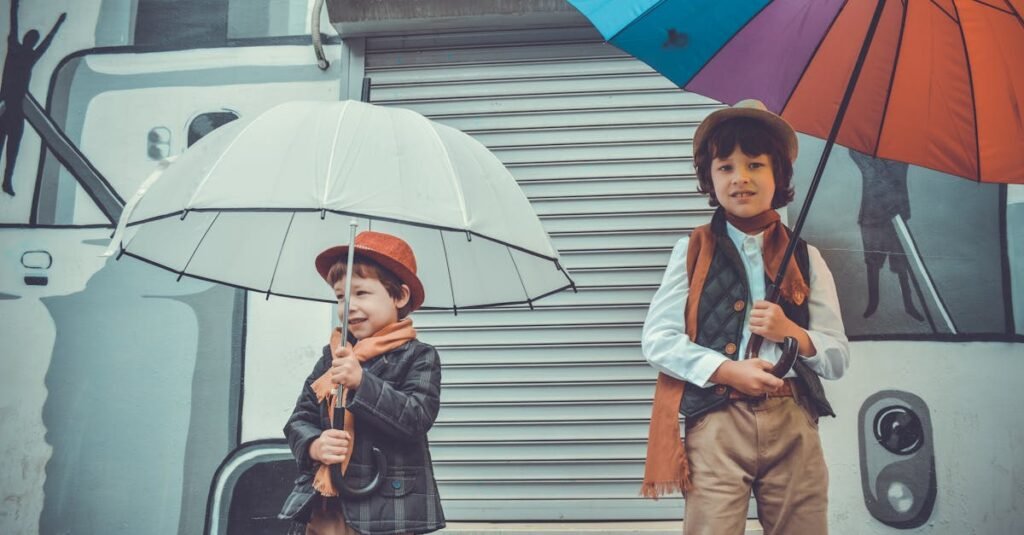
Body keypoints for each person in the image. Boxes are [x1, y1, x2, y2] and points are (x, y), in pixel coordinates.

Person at [640, 100, 849, 535]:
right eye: (725, 166)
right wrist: (728, 370)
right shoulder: (691, 251)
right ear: (709, 178)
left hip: (793, 419)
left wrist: (792, 333)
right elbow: (658, 340)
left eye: (755, 164)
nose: (741, 178)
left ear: (779, 176)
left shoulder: (808, 258)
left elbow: (837, 358)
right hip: (717, 419)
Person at [279, 231, 445, 535]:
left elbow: (416, 417)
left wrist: (362, 382)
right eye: (341, 297)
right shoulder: (333, 357)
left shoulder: (419, 357)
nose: (348, 306)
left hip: (384, 510)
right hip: (325, 507)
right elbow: (299, 419)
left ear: (399, 296)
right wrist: (315, 445)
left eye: (361, 294)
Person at [848, 148, 924, 321]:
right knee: (872, 262)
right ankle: (873, 304)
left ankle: (909, 304)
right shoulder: (865, 151)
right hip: (872, 213)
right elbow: (855, 152)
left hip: (896, 212)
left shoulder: (903, 150)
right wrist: (879, 165)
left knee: (902, 262)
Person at [1, 0, 66, 196]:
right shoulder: (15, 49)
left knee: (13, 148)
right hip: (5, 106)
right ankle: (6, 181)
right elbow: (14, 24)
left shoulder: (30, 56)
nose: (33, 40)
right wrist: (15, 6)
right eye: (31, 37)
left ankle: (7, 181)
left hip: (16, 109)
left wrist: (59, 25)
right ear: (27, 38)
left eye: (34, 39)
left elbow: (47, 42)